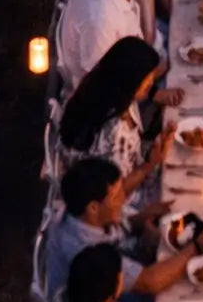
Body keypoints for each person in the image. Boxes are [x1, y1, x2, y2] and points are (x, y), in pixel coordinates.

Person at [46, 156, 203, 302]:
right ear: (93, 207)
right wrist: (198, 247)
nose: (123, 200)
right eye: (116, 197)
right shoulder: (83, 249)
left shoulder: (83, 218)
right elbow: (148, 282)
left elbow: (117, 231)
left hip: (124, 276)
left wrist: (143, 218)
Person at [58, 37, 173, 215]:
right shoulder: (115, 130)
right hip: (113, 209)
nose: (151, 82)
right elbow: (115, 195)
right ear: (130, 81)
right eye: (146, 79)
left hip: (98, 180)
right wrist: (149, 165)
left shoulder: (102, 90)